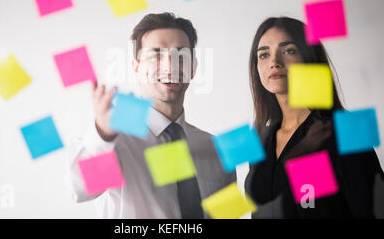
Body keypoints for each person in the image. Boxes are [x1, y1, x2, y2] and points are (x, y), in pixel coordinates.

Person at [67, 12, 236, 218]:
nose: (170, 66)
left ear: (193, 67)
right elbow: (80, 189)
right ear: (136, 68)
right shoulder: (114, 143)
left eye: (181, 56)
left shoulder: (216, 148)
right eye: (156, 55)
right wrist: (103, 133)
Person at [245, 16, 384, 218]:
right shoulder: (260, 141)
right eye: (264, 55)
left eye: (288, 51)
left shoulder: (346, 132)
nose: (274, 62)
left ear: (309, 59)